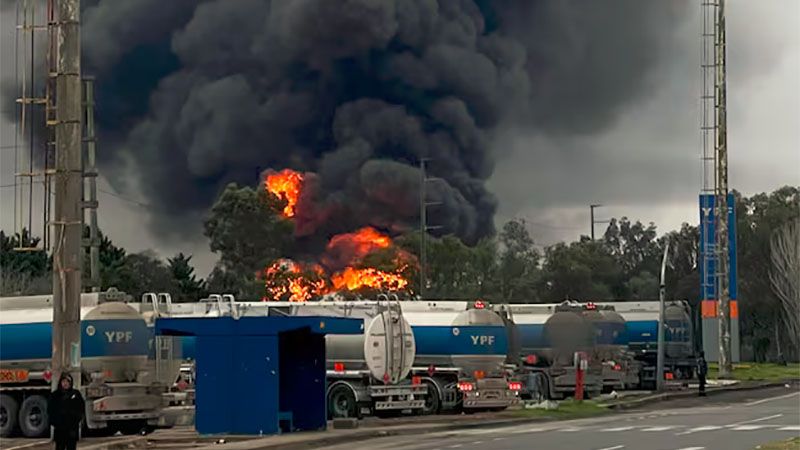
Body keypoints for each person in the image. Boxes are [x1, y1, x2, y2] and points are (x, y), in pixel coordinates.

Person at [48, 373, 85, 450]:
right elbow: (50, 410)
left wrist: (77, 419)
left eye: (67, 381)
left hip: (72, 429)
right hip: (59, 429)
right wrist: (55, 422)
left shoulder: (75, 394)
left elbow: (81, 408)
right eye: (63, 381)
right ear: (60, 382)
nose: (65, 383)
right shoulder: (55, 395)